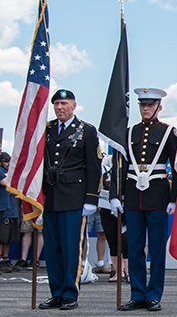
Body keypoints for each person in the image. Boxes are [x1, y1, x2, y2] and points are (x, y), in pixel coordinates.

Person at [109, 88, 177, 311]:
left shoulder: (168, 133)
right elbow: (118, 167)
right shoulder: (129, 133)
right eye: (142, 105)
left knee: (157, 250)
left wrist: (174, 197)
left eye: (150, 105)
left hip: (158, 197)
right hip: (132, 197)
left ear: (159, 107)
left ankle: (154, 295)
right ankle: (137, 293)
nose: (146, 108)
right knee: (134, 247)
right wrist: (114, 195)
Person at [38, 89, 102, 310]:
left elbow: (94, 167)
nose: (59, 107)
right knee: (53, 249)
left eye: (63, 103)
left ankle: (69, 293)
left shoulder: (86, 130)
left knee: (71, 248)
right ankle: (55, 292)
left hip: (75, 198)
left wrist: (91, 199)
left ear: (74, 106)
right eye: (56, 103)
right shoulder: (45, 130)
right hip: (50, 197)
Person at [99, 157, 128, 282]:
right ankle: (117, 271)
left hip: (123, 209)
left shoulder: (125, 174)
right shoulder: (105, 174)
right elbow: (100, 189)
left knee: (126, 242)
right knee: (112, 242)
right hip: (106, 211)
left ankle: (128, 271)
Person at [0, 151, 19, 272]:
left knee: (8, 238)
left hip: (11, 209)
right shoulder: (1, 173)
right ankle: (0, 260)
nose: (8, 164)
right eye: (5, 161)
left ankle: (6, 260)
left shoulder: (8, 173)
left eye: (9, 161)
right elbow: (6, 184)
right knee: (1, 237)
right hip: (2, 209)